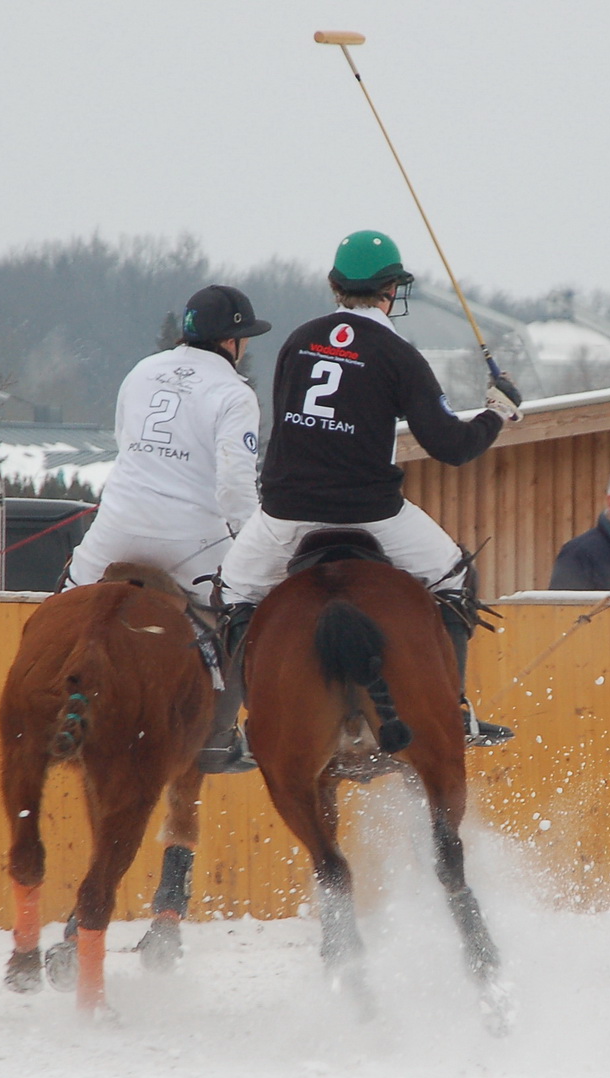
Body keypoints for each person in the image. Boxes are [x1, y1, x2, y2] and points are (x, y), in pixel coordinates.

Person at [215, 229, 525, 753]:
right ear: (391, 290)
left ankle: (251, 721)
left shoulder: (297, 340)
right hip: (372, 513)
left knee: (233, 592)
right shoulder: (398, 354)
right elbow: (450, 445)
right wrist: (496, 414)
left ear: (336, 286)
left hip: (287, 514)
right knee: (455, 576)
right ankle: (455, 709)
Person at [62, 283, 269, 772]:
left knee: (64, 604)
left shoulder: (141, 371)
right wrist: (258, 543)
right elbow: (236, 489)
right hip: (191, 542)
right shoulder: (234, 393)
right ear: (231, 342)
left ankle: (53, 697)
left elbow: (126, 442)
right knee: (248, 614)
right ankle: (218, 738)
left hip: (115, 529)